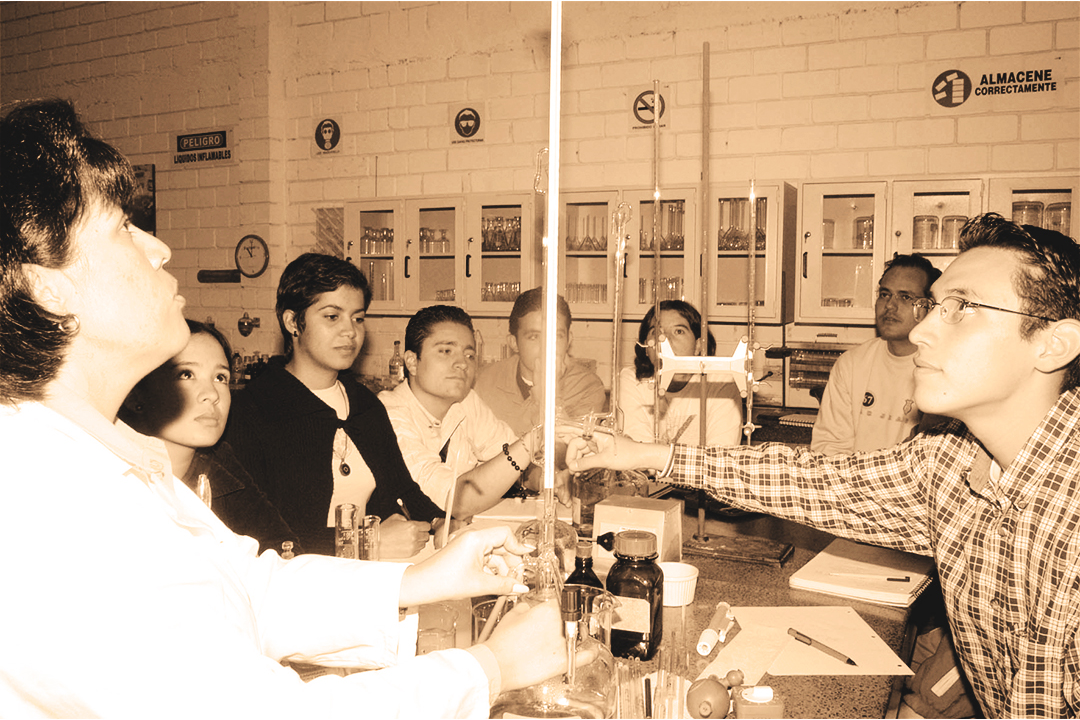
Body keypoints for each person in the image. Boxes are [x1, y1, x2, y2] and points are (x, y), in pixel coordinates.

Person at [1, 98, 578, 717]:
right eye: (122, 227)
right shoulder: (50, 505)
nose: (160, 247)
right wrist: (492, 668)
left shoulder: (99, 452)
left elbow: (248, 587)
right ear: (48, 288)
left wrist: (427, 576)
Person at [566, 213, 1080, 719]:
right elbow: (812, 481)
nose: (921, 330)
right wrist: (641, 453)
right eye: (935, 306)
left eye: (961, 307)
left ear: (1054, 344)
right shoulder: (949, 462)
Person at [226, 252, 441, 557]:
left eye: (358, 318)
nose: (350, 331)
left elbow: (402, 490)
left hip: (369, 577)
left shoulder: (365, 404)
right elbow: (254, 535)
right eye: (332, 316)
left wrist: (441, 521)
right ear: (292, 322)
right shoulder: (252, 411)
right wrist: (365, 542)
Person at [119, 319, 302, 555]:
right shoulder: (111, 476)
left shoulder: (217, 463)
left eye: (220, 377)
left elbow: (282, 548)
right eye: (186, 374)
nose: (212, 394)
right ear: (135, 394)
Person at [380, 305, 557, 518]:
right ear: (412, 362)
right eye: (446, 351)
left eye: (470, 355)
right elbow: (456, 501)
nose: (462, 364)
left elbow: (508, 457)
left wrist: (545, 479)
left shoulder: (464, 401)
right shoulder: (388, 415)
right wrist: (534, 439)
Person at [812, 254, 943, 455]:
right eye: (885, 294)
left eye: (905, 297)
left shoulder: (943, 370)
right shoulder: (852, 364)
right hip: (851, 484)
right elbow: (830, 447)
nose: (890, 305)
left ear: (928, 307)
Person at [475, 287, 606, 436]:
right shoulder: (482, 381)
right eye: (534, 337)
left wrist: (550, 395)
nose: (546, 346)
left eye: (556, 336)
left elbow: (568, 449)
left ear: (569, 340)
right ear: (514, 343)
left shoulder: (587, 387)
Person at [619, 300, 742, 445]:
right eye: (656, 332)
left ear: (698, 346)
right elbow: (635, 453)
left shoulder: (720, 382)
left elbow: (719, 457)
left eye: (679, 331)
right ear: (646, 346)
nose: (665, 340)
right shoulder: (632, 380)